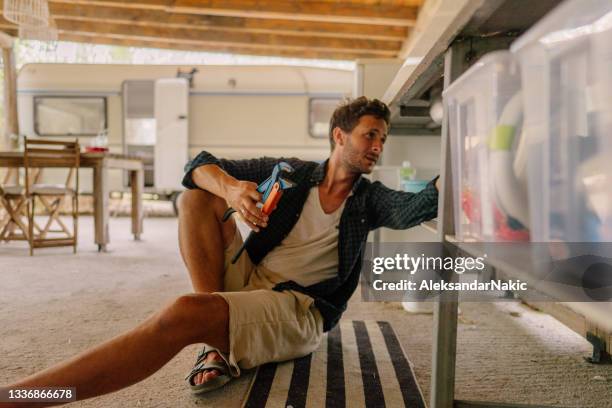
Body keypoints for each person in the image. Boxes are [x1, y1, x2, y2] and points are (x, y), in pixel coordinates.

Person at [0, 97, 439, 406]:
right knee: (195, 197)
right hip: (249, 279)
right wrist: (231, 191)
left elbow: (416, 206)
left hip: (298, 307)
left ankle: (22, 397)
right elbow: (199, 166)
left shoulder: (370, 198)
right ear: (339, 136)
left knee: (182, 314)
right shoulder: (293, 174)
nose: (377, 147)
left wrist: (462, 166)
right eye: (369, 136)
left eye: (382, 139)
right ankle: (215, 334)